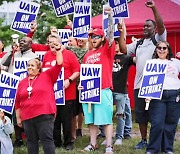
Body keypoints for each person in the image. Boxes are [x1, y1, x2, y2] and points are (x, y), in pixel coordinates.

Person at [120, 0, 167, 149]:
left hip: (154, 84)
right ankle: (144, 140)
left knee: (155, 116)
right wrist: (122, 32)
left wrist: (154, 9)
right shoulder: (139, 43)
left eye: (148, 25)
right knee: (141, 116)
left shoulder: (158, 39)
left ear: (154, 29)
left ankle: (157, 140)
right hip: (139, 85)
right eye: (144, 25)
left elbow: (161, 25)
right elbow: (123, 49)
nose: (145, 27)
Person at [15, 43, 63, 154]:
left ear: (38, 68)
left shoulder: (47, 76)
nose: (29, 68)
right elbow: (17, 101)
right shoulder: (22, 82)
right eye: (28, 65)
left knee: (47, 140)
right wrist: (18, 118)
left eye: (32, 65)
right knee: (31, 142)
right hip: (27, 117)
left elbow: (59, 64)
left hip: (44, 115)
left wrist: (58, 50)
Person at [80, 7, 115, 154]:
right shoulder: (87, 54)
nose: (93, 39)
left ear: (102, 38)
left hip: (103, 89)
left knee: (106, 120)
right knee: (91, 120)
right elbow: (85, 73)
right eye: (91, 37)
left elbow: (112, 34)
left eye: (96, 37)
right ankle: (93, 144)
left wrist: (110, 17)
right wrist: (81, 86)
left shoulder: (107, 49)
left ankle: (108, 146)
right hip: (89, 92)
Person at [42, 34, 80, 150]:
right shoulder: (47, 56)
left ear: (59, 43)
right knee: (54, 120)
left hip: (67, 94)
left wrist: (69, 80)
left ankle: (68, 142)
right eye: (49, 42)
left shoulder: (69, 54)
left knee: (67, 120)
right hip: (52, 95)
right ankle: (56, 141)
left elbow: (77, 70)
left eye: (54, 42)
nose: (51, 45)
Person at [0, 37, 37, 147]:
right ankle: (11, 137)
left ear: (30, 44)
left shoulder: (34, 57)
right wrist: (11, 53)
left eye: (24, 41)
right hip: (11, 87)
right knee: (8, 113)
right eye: (20, 41)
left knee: (21, 114)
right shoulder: (14, 55)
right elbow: (2, 64)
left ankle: (24, 137)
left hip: (25, 88)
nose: (21, 42)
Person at [145, 41, 180, 154]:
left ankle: (167, 149)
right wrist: (147, 95)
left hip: (174, 94)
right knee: (157, 123)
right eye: (159, 48)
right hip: (157, 96)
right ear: (156, 50)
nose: (161, 50)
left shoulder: (175, 62)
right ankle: (152, 149)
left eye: (164, 48)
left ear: (168, 50)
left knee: (171, 124)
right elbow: (148, 80)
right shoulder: (151, 62)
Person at [112, 22, 135, 145]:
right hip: (109, 89)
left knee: (121, 114)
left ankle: (120, 136)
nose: (115, 45)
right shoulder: (108, 56)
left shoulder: (126, 57)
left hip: (121, 91)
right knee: (106, 114)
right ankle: (106, 134)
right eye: (114, 43)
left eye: (117, 43)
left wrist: (123, 31)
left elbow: (137, 60)